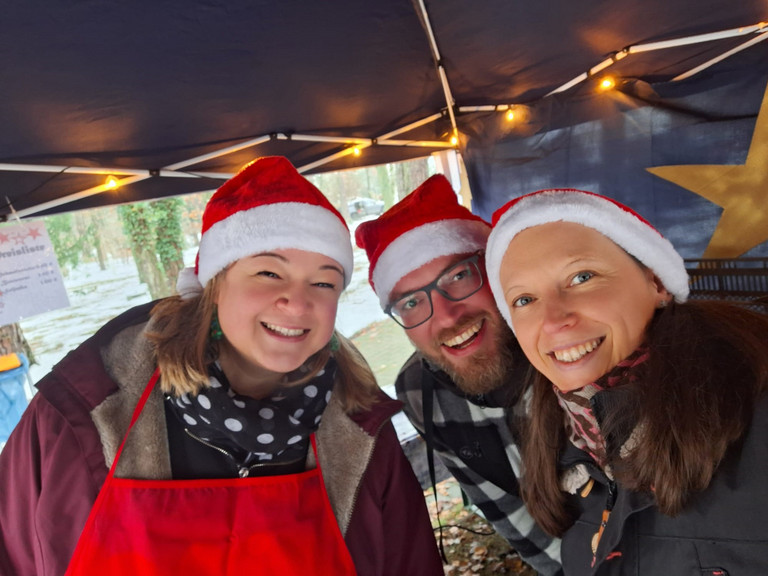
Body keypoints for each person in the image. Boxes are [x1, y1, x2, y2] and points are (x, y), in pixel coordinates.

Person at [0, 156, 444, 576]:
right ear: (215, 286)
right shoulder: (81, 413)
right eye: (269, 273)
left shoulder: (359, 429)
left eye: (325, 281)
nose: (298, 301)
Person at [485, 188, 768, 575]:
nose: (552, 319)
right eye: (523, 300)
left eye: (581, 277)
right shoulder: (558, 444)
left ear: (657, 282)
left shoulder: (756, 416)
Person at [355, 174, 563, 576]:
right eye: (412, 302)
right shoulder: (420, 391)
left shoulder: (572, 342)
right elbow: (511, 517)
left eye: (458, 276)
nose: (448, 315)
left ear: (494, 268)